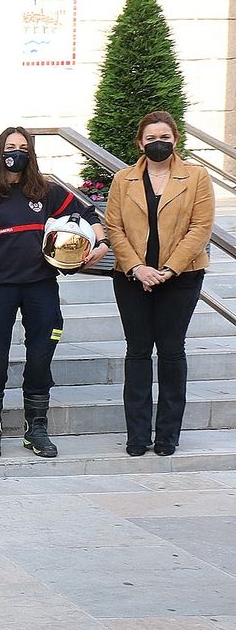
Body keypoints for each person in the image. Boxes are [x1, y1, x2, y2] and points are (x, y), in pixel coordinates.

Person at [0, 127, 108, 459]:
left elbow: (87, 213)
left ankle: (36, 427)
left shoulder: (46, 192)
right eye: (10, 146)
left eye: (23, 147)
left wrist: (99, 243)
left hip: (41, 286)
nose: (16, 152)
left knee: (40, 357)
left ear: (31, 153)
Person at [104, 111, 215, 457]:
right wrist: (137, 267)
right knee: (137, 352)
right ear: (140, 143)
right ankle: (137, 435)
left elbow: (200, 228)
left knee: (171, 351)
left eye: (164, 137)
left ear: (175, 140)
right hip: (132, 278)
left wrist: (168, 269)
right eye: (150, 138)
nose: (158, 143)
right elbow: (113, 227)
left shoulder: (196, 178)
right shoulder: (124, 180)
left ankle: (167, 435)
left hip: (181, 278)